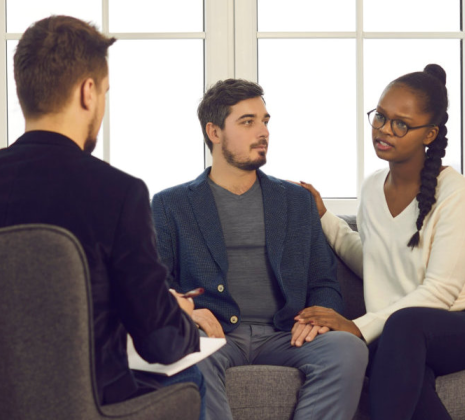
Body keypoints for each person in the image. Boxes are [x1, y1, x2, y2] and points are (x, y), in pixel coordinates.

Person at [0, 15, 206, 416]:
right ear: (88, 92)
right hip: (89, 405)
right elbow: (161, 343)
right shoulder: (119, 193)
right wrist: (177, 314)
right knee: (189, 378)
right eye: (106, 92)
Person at [151, 78, 368, 420]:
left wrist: (318, 317)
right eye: (247, 122)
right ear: (214, 131)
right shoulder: (170, 204)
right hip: (214, 333)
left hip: (285, 332)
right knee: (184, 353)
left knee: (348, 350)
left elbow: (323, 281)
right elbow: (156, 284)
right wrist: (187, 312)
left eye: (265, 121)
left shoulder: (296, 201)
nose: (262, 132)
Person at [297, 64, 465, 420]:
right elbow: (374, 261)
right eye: (380, 117)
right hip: (402, 335)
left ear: (430, 134)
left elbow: (440, 292)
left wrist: (359, 326)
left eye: (401, 124)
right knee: (392, 358)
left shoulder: (455, 192)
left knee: (398, 329)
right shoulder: (372, 188)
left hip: (453, 323)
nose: (385, 130)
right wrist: (324, 217)